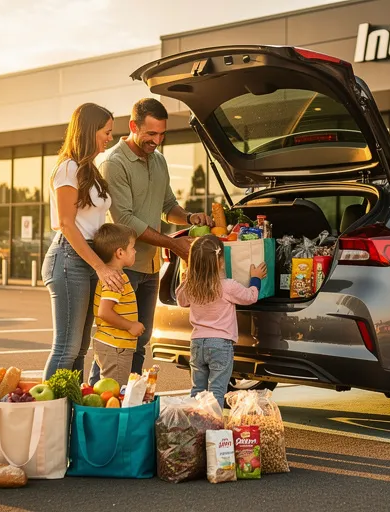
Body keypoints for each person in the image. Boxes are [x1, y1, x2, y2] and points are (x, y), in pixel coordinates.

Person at [95, 97, 214, 383]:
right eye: (150, 134)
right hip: (122, 267)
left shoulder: (159, 160)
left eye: (162, 134)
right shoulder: (113, 162)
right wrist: (174, 244)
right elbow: (125, 220)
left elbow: (168, 205)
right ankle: (102, 400)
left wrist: (189, 218)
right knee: (117, 342)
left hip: (150, 266)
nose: (156, 141)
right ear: (133, 126)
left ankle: (130, 401)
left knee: (141, 337)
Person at [42, 102, 126, 381]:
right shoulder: (67, 168)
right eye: (106, 131)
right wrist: (101, 268)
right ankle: (48, 414)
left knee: (79, 351)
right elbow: (67, 224)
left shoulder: (89, 169)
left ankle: (69, 413)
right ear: (90, 131)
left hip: (89, 259)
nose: (110, 137)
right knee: (66, 348)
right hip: (69, 259)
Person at [175, 235, 266, 408]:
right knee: (216, 391)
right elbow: (251, 296)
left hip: (196, 344)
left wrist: (186, 278)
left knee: (197, 391)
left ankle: (197, 428)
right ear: (221, 262)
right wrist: (256, 278)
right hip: (220, 345)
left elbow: (181, 301)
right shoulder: (227, 286)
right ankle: (213, 430)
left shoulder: (191, 286)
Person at [89, 223, 145, 384]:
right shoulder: (116, 279)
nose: (135, 251)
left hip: (112, 345)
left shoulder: (113, 276)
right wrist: (130, 325)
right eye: (132, 247)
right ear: (120, 252)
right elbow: (104, 312)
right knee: (115, 391)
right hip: (116, 346)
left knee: (105, 389)